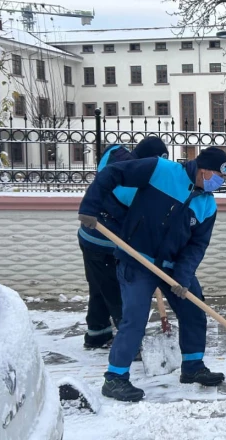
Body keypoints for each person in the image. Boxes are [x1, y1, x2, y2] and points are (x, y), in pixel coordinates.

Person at [78, 146, 226, 402]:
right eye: (218, 176)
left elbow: (197, 245)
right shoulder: (161, 170)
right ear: (203, 170)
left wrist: (183, 276)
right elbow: (113, 174)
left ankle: (192, 367)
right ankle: (115, 378)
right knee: (134, 320)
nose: (219, 183)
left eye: (223, 179)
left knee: (194, 310)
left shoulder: (208, 205)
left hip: (172, 266)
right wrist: (90, 207)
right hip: (137, 259)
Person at [78, 137, 168, 349]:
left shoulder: (114, 155)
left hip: (87, 237)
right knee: (116, 293)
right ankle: (131, 343)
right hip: (107, 244)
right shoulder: (134, 187)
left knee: (99, 288)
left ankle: (97, 334)